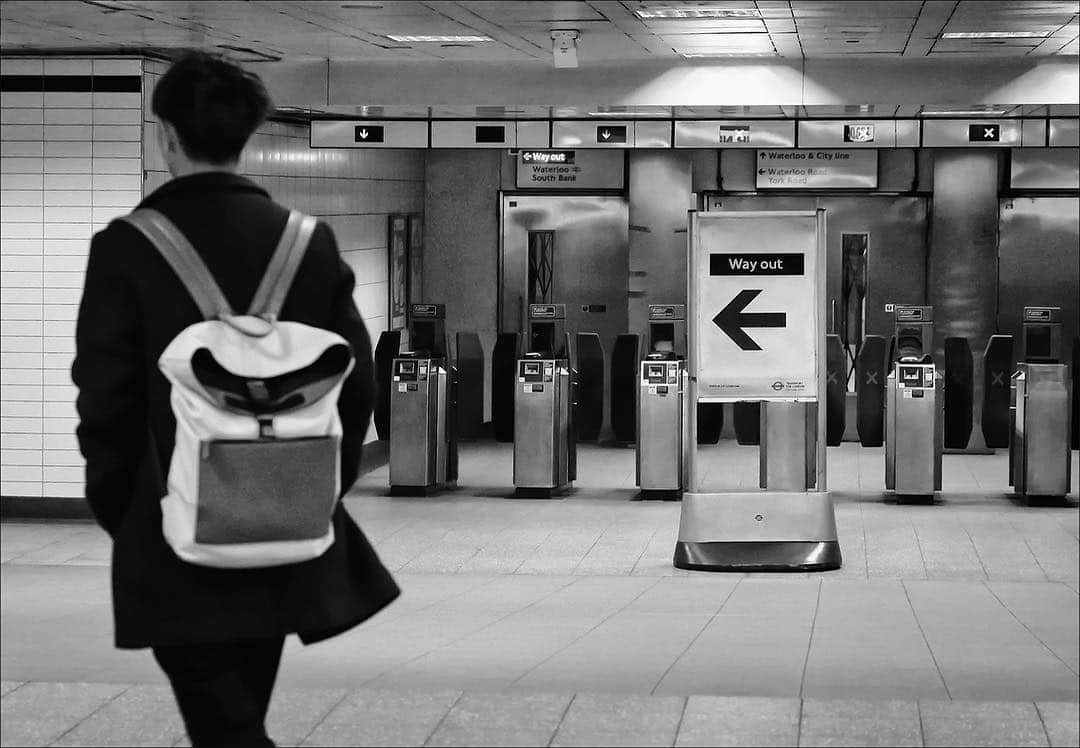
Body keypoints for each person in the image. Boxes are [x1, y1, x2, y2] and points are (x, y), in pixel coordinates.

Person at [72, 51, 400, 747]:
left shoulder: (125, 248)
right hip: (285, 517)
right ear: (248, 135)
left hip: (169, 518)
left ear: (164, 134)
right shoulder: (309, 243)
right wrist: (315, 485)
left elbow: (104, 399)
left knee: (221, 721)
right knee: (238, 704)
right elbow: (358, 381)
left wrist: (123, 509)